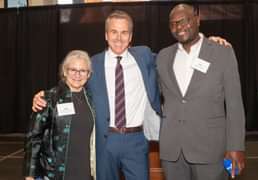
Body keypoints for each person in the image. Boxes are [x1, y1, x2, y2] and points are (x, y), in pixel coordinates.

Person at [32, 10, 230, 180]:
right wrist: (46, 95)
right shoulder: (93, 64)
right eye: (114, 32)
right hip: (105, 140)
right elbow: (72, 82)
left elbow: (176, 56)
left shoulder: (144, 57)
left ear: (131, 36)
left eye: (124, 32)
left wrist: (205, 43)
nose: (119, 38)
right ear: (106, 35)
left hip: (136, 141)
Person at [156, 4, 245, 180]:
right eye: (173, 24)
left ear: (197, 19)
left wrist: (236, 147)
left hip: (210, 150)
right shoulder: (163, 56)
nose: (179, 27)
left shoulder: (222, 52)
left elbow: (235, 104)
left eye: (184, 21)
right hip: (172, 152)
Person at [24, 50, 96, 180]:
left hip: (84, 171)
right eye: (73, 69)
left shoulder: (92, 100)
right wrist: (30, 175)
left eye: (82, 71)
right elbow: (34, 138)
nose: (77, 75)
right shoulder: (48, 98)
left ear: (88, 74)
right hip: (54, 173)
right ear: (65, 71)